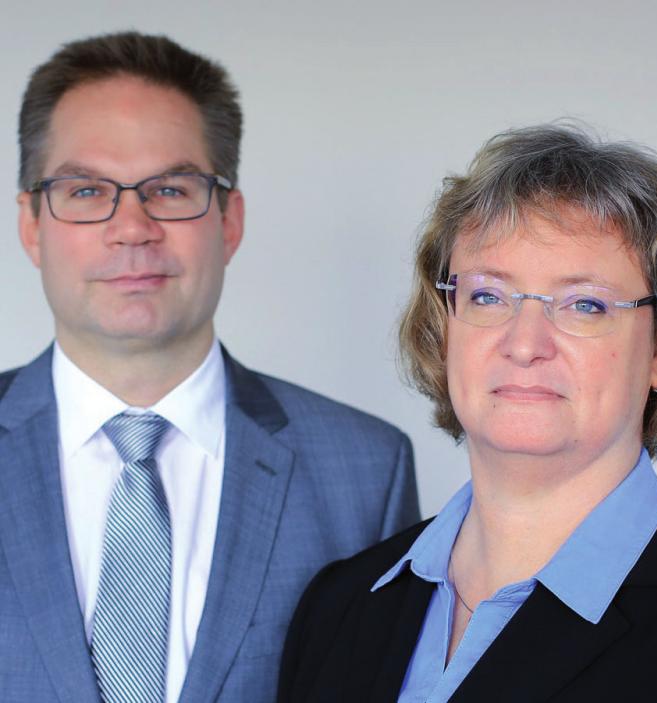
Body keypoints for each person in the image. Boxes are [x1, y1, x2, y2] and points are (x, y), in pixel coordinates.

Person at [0, 31, 420, 703]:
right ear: (31, 223)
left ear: (229, 221)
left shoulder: (366, 472)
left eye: (170, 189)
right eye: (86, 190)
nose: (132, 226)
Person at [278, 124, 657, 702]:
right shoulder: (337, 606)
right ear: (443, 328)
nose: (524, 344)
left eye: (584, 304)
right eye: (487, 296)